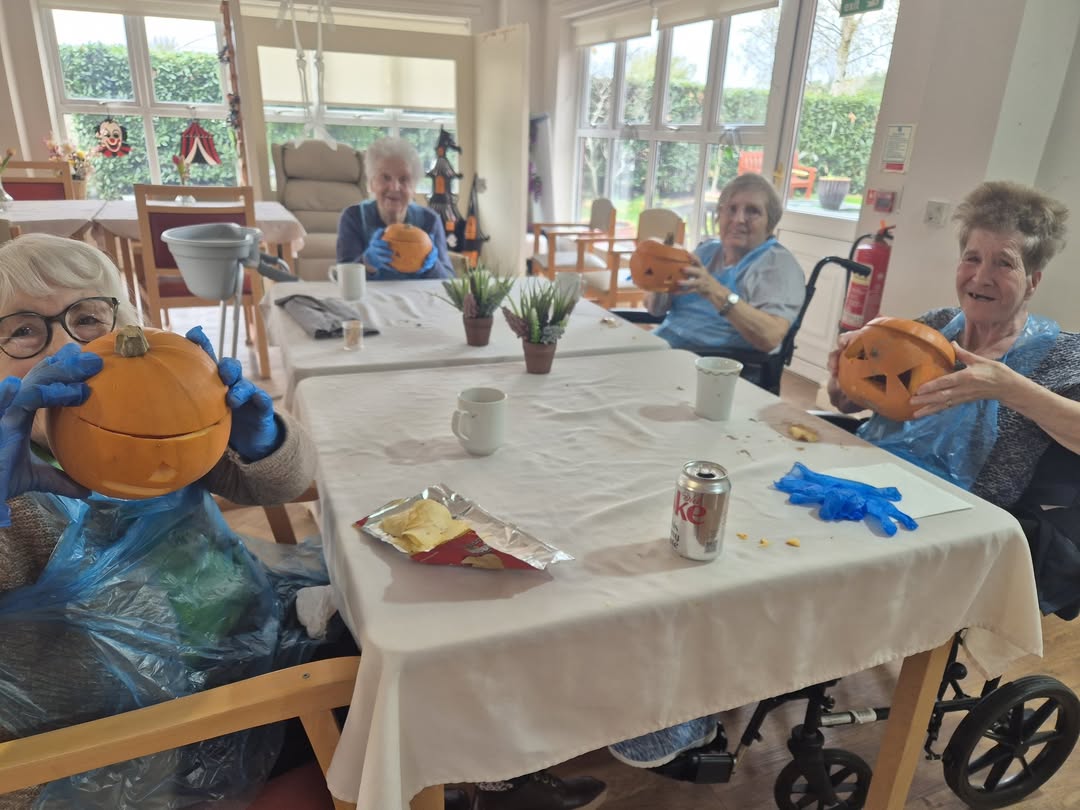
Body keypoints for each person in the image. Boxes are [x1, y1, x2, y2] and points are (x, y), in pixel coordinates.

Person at [0, 233, 326, 808]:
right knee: (365, 707)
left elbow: (283, 483)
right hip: (126, 739)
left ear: (124, 328)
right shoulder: (14, 485)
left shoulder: (153, 407)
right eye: (24, 329)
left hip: (243, 635)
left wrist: (263, 440)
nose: (61, 345)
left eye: (87, 317)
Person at [826, 181, 1078, 509]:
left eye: (1004, 263)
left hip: (960, 522)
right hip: (865, 485)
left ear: (1033, 281)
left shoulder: (1061, 355)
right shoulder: (931, 328)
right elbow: (847, 404)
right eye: (972, 258)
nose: (981, 277)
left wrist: (1009, 389)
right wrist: (844, 374)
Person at [645, 172, 805, 384]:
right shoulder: (707, 251)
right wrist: (659, 276)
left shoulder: (777, 266)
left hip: (715, 372)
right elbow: (655, 310)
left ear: (770, 223)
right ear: (720, 215)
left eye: (752, 211)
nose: (738, 219)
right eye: (731, 209)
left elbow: (770, 337)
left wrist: (714, 290)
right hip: (664, 353)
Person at [337, 136, 455, 281]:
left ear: (413, 188)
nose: (394, 187)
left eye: (404, 179)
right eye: (385, 177)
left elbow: (449, 280)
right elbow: (342, 280)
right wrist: (366, 262)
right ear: (372, 183)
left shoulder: (430, 220)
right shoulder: (353, 217)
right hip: (369, 301)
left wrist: (433, 266)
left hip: (417, 301)